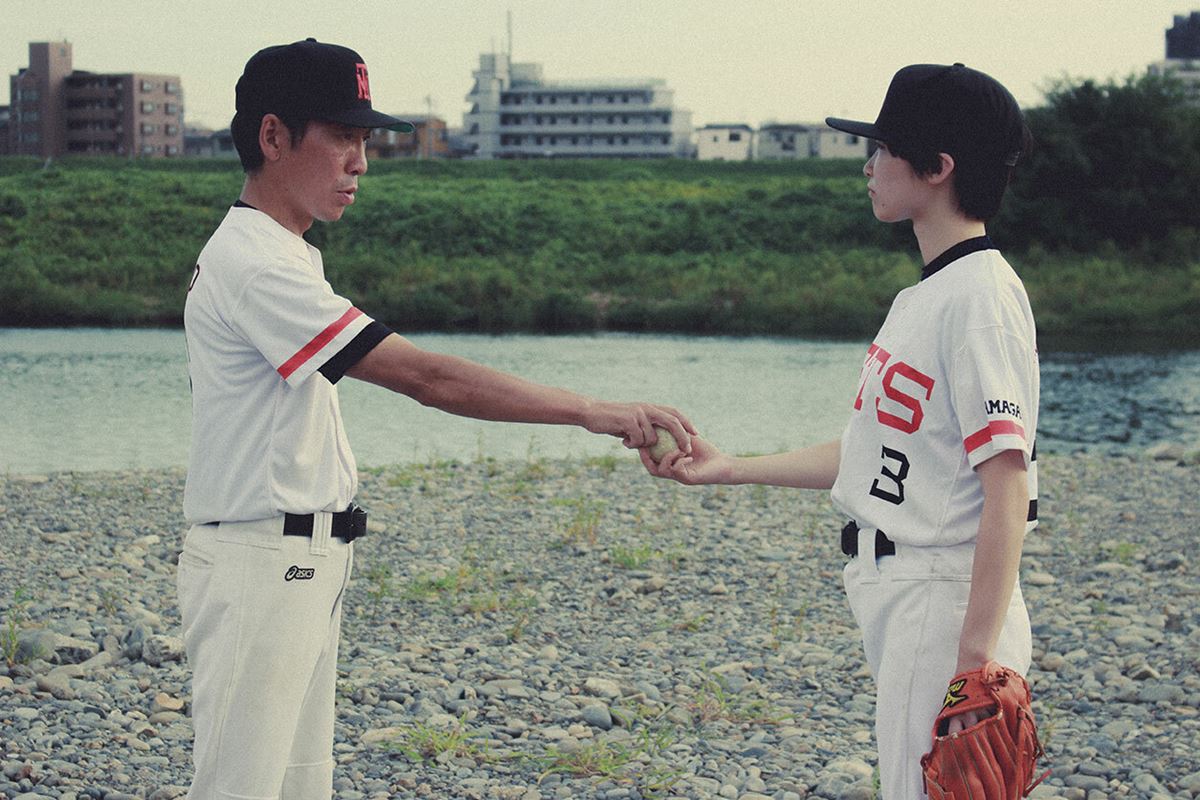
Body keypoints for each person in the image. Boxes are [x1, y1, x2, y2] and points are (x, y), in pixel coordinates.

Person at [177, 38, 694, 800]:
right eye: (343, 137)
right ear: (273, 136)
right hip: (262, 559)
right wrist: (590, 411)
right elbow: (426, 378)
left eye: (365, 140)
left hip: (300, 558)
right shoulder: (255, 262)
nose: (361, 162)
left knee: (298, 788)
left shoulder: (285, 252)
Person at [643, 63, 1039, 799]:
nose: (869, 164)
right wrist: (731, 467)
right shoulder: (927, 295)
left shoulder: (980, 297)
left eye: (884, 148)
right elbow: (875, 454)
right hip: (905, 592)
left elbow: (1008, 486)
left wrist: (974, 663)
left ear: (938, 167)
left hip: (943, 595)